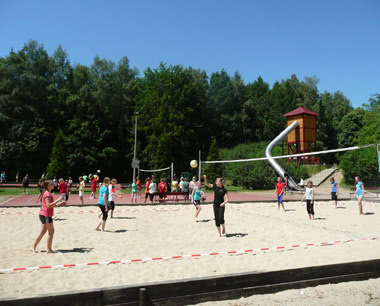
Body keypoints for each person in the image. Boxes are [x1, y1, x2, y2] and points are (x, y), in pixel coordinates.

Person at [32, 181, 66, 253]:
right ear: (48, 186)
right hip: (46, 215)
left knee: (43, 231)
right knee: (51, 232)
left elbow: (50, 205)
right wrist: (58, 199)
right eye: (51, 184)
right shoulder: (47, 193)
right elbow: (48, 205)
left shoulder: (46, 193)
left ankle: (34, 247)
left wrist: (60, 204)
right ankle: (49, 249)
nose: (53, 184)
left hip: (43, 214)